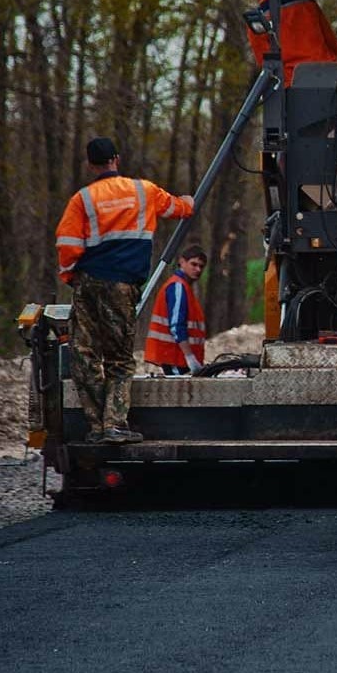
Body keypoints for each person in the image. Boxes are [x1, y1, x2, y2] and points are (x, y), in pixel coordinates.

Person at [56, 137, 194, 444]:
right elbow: (179, 208)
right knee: (119, 358)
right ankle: (114, 425)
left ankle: (95, 426)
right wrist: (189, 202)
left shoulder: (82, 200)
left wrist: (70, 277)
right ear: (116, 159)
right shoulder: (144, 191)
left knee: (85, 355)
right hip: (122, 284)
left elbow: (68, 246)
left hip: (88, 282)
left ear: (90, 164)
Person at [245, 0, 337, 86]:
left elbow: (265, 63)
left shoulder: (259, 20)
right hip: (327, 74)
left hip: (292, 83)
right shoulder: (307, 3)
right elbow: (332, 42)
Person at [145, 245, 208, 376]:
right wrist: (190, 357)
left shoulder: (183, 287)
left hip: (177, 356)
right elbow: (176, 325)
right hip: (175, 356)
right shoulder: (178, 286)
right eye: (194, 264)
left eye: (201, 266)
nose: (197, 269)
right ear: (182, 262)